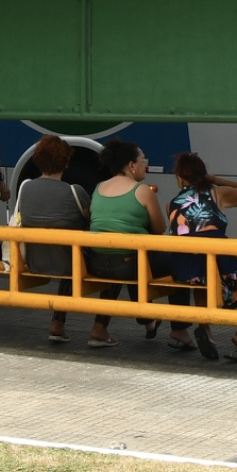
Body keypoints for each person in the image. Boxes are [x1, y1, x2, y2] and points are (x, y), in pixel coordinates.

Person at [164, 151, 237, 363]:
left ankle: (205, 329)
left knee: (201, 276)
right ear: (203, 175)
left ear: (180, 177)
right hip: (219, 266)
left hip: (184, 270)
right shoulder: (216, 193)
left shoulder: (171, 204)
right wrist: (216, 180)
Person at [10, 135, 99, 346]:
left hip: (34, 261)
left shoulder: (25, 189)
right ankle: (98, 328)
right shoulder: (75, 192)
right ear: (66, 162)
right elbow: (90, 221)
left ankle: (58, 325)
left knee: (67, 255)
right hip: (70, 265)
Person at [85, 138, 165, 347]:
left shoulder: (99, 187)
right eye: (142, 159)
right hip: (130, 264)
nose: (144, 163)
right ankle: (178, 329)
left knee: (122, 259)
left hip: (97, 262)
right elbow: (160, 229)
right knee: (171, 262)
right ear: (131, 165)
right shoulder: (142, 190)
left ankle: (101, 328)